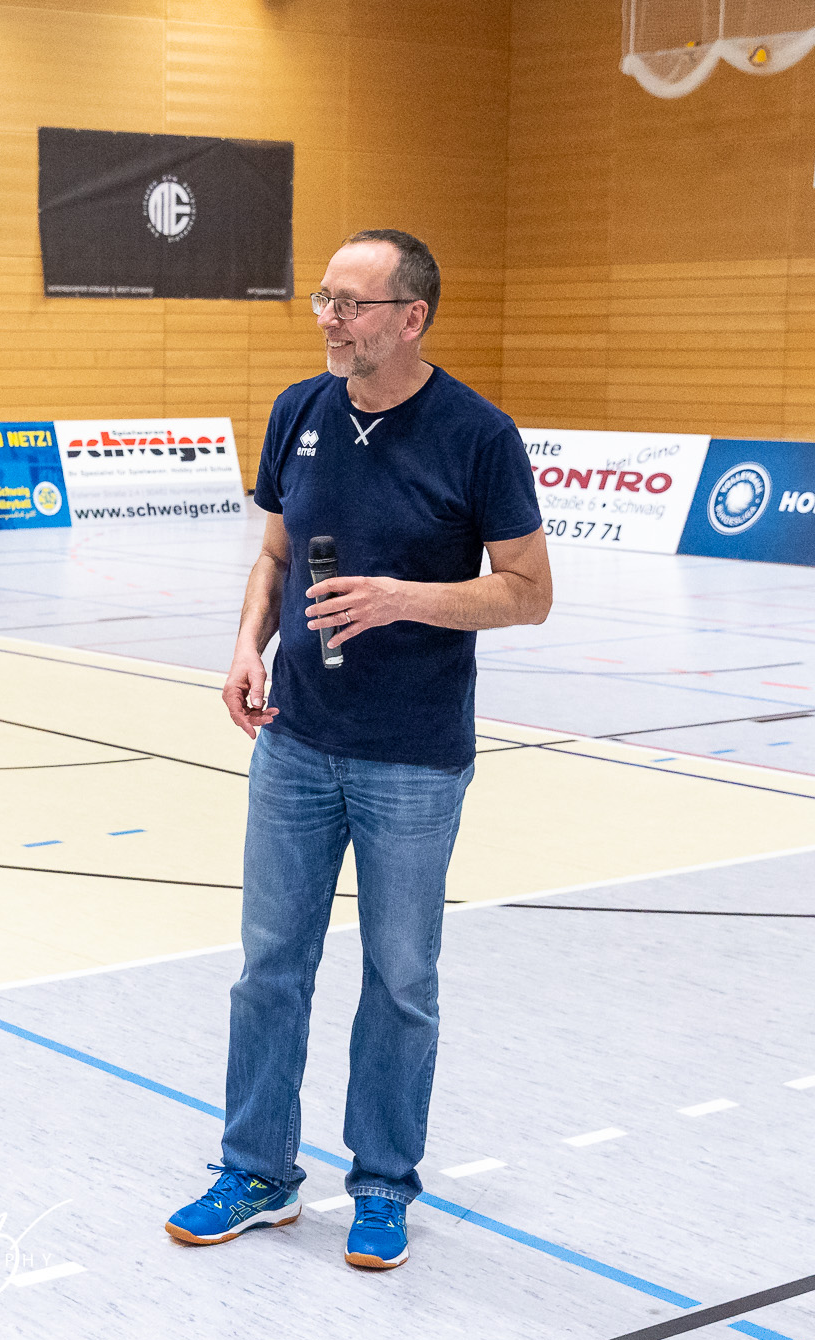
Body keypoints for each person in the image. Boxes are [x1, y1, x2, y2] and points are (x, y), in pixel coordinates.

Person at [161, 230, 550, 1272]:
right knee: (268, 969)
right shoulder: (298, 410)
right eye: (322, 300)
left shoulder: (476, 435)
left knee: (399, 978)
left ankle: (380, 1183)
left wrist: (400, 599)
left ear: (410, 317)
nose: (328, 319)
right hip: (293, 741)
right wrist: (248, 645)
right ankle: (256, 1171)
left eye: (350, 304)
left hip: (411, 757)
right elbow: (275, 553)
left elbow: (528, 592)